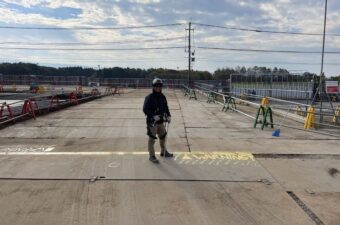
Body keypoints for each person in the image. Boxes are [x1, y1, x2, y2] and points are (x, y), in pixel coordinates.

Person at [143, 78, 173, 163]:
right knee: (152, 139)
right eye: (156, 86)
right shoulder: (149, 97)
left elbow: (166, 107)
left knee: (163, 137)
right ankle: (152, 156)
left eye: (159, 86)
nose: (158, 87)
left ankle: (163, 151)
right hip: (152, 122)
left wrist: (168, 116)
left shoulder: (162, 97)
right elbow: (145, 109)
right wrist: (153, 116)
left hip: (161, 121)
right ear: (153, 87)